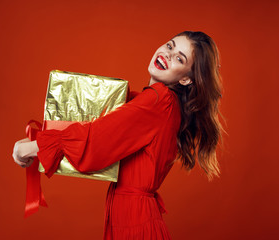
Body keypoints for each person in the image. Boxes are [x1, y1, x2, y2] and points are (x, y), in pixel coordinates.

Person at [13, 31, 223, 240]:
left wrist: (33, 147)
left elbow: (96, 139)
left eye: (179, 58)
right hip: (131, 217)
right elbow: (95, 125)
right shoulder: (156, 104)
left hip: (135, 222)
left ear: (186, 79)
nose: (168, 54)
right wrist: (38, 140)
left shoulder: (160, 100)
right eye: (169, 46)